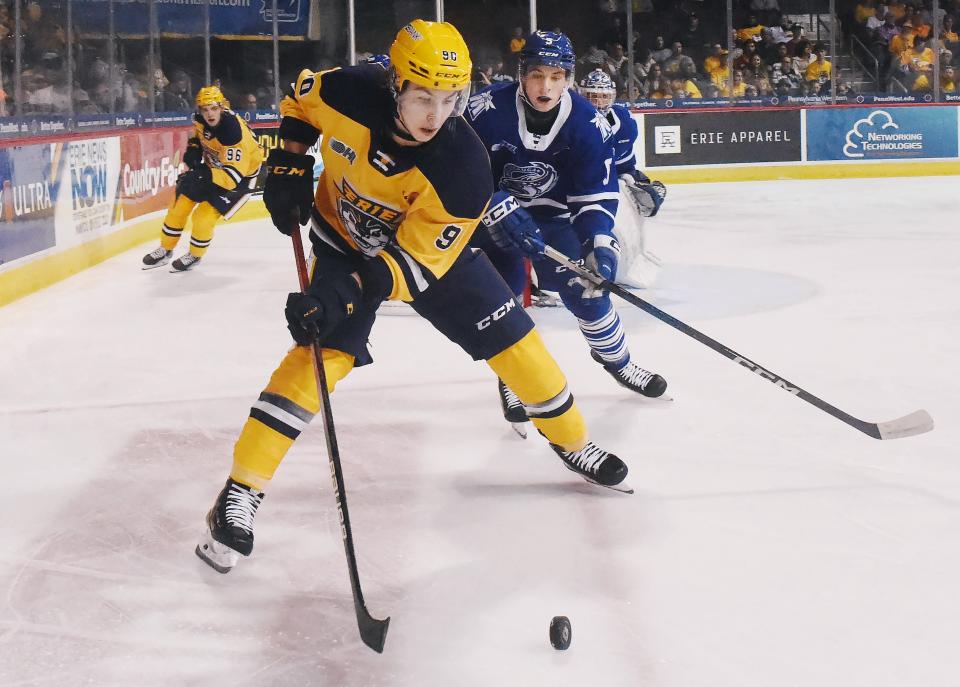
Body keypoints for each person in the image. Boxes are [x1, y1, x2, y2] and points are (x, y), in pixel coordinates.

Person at [196, 20, 632, 574]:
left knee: (521, 349)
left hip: (426, 259)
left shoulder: (462, 169)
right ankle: (238, 495)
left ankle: (571, 441)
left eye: (451, 98)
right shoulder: (347, 91)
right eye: (423, 96)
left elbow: (410, 268)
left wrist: (344, 296)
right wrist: (290, 160)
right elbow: (301, 104)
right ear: (394, 84)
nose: (437, 114)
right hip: (342, 242)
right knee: (317, 358)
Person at [464, 31, 668, 436]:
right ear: (521, 74)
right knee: (505, 302)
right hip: (491, 218)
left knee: (588, 289)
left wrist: (599, 245)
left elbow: (594, 195)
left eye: (557, 76)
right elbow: (460, 173)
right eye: (537, 75)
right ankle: (514, 381)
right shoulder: (484, 111)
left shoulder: (587, 125)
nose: (546, 86)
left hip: (555, 220)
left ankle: (619, 361)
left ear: (569, 78)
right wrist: (495, 205)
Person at [141, 86, 263, 271]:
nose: (209, 114)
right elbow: (198, 136)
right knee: (180, 206)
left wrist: (202, 175)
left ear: (222, 108)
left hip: (239, 177)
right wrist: (193, 149)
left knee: (203, 216)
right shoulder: (200, 120)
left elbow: (231, 177)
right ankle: (165, 249)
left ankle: (195, 255)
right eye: (205, 109)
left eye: (214, 108)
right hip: (215, 167)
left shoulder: (233, 133)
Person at [579, 68, 667, 291]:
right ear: (582, 95)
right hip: (581, 184)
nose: (598, 102)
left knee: (634, 207)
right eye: (592, 96)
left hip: (611, 182)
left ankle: (625, 258)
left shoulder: (624, 122)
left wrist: (632, 180)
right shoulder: (573, 119)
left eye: (603, 96)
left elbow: (626, 164)